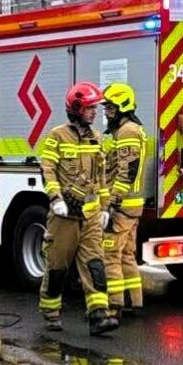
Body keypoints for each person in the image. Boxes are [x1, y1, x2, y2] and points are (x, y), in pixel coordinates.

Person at [38, 82, 117, 336]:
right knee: (57, 267)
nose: (95, 112)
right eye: (90, 108)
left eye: (95, 108)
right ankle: (51, 313)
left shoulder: (97, 138)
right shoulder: (57, 136)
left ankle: (98, 316)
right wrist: (55, 198)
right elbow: (47, 169)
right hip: (65, 217)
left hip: (91, 216)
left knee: (95, 265)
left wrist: (104, 208)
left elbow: (101, 178)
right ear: (76, 108)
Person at [100, 82, 148, 323]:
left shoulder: (127, 132)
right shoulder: (130, 129)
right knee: (127, 254)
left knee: (110, 256)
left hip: (121, 206)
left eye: (110, 107)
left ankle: (114, 306)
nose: (106, 112)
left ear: (123, 106)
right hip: (131, 206)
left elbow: (126, 171)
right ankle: (135, 303)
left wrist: (112, 202)